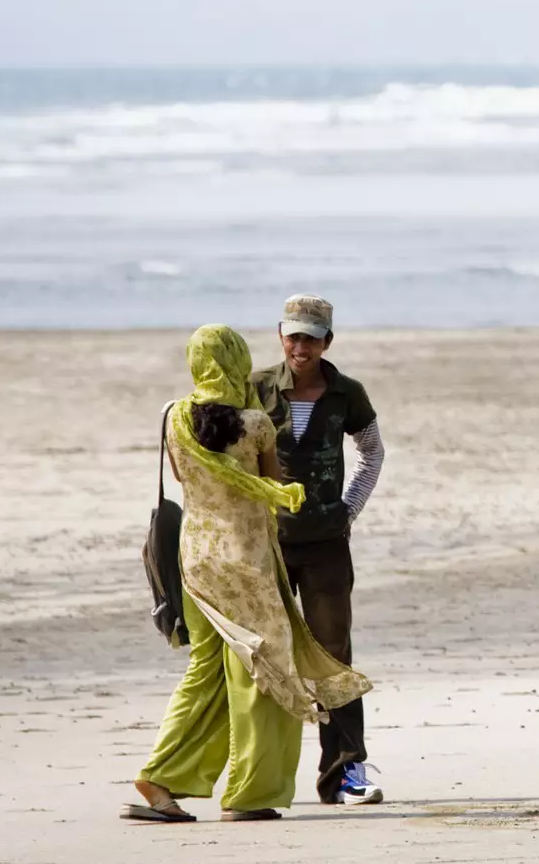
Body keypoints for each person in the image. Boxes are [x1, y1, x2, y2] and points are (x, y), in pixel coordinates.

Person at [127, 326, 370, 823]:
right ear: (237, 364)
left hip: (195, 560)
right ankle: (250, 794)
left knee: (206, 670)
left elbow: (183, 477)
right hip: (247, 563)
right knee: (262, 675)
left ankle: (161, 777)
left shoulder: (174, 419)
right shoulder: (256, 423)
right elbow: (270, 484)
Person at [252, 295, 387, 806]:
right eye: (293, 336)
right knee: (263, 655)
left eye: (310, 337)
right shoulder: (257, 387)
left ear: (328, 340)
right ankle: (258, 777)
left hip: (327, 546)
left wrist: (347, 512)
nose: (300, 346)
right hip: (266, 545)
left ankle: (345, 772)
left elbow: (371, 453)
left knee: (333, 658)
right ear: (280, 336)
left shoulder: (347, 393)